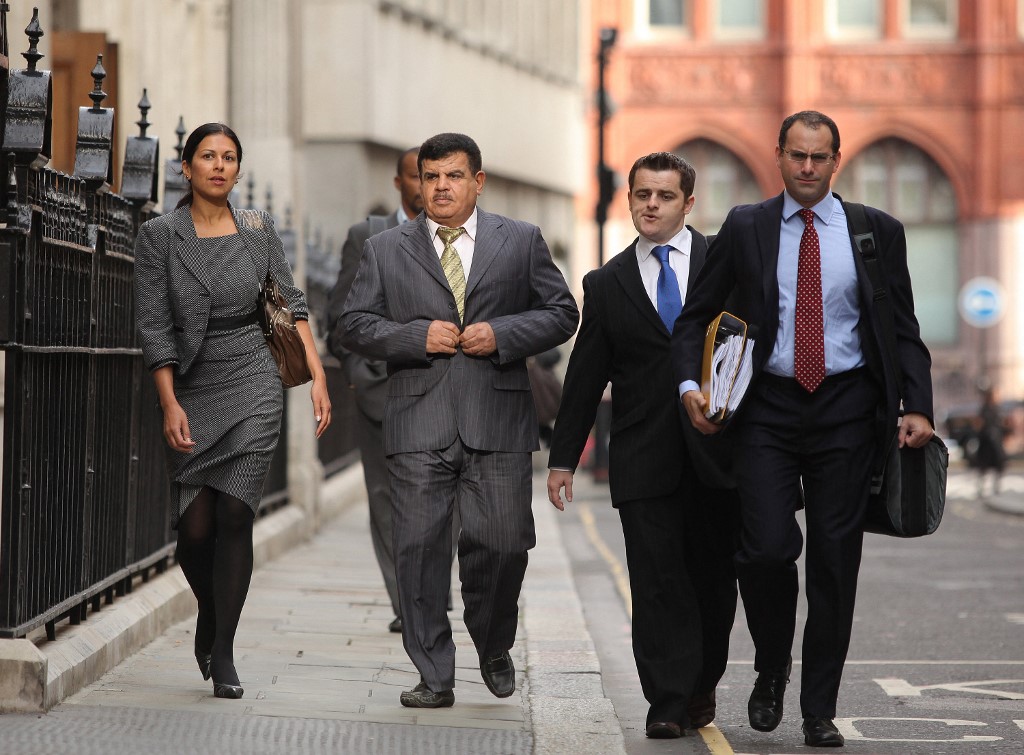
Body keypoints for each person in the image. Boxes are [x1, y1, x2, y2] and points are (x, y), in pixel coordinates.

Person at [673, 111, 934, 748]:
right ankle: (770, 667)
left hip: (847, 410)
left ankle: (819, 707)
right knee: (764, 549)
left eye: (820, 158)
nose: (808, 168)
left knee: (834, 565)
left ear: (837, 161)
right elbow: (694, 318)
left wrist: (917, 406)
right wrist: (689, 386)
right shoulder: (747, 226)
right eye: (797, 156)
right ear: (780, 156)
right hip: (766, 407)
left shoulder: (876, 232)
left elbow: (902, 327)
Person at [339, 132, 578, 708]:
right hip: (418, 421)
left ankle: (494, 643)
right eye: (430, 177)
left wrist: (503, 334)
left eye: (453, 176)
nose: (441, 187)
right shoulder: (386, 249)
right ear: (416, 183)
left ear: (478, 181)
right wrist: (413, 337)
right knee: (418, 550)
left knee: (503, 544)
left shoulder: (519, 241)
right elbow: (351, 325)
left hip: (496, 418)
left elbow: (562, 311)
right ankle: (433, 674)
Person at [134, 123, 331, 700]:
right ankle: (210, 614)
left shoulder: (258, 230)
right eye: (207, 156)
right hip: (193, 381)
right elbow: (153, 327)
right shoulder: (159, 236)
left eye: (228, 158)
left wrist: (318, 377)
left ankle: (223, 652)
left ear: (238, 171)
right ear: (187, 167)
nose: (218, 166)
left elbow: (291, 302)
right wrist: (169, 401)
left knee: (236, 516)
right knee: (195, 530)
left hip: (253, 376)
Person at [546, 152, 739, 740]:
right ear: (627, 200)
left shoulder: (723, 266)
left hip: (718, 454)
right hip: (643, 454)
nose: (651, 205)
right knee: (655, 580)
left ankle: (702, 680)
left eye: (664, 195)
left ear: (688, 203)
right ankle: (665, 699)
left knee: (712, 576)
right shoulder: (607, 284)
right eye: (641, 195)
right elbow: (584, 376)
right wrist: (561, 459)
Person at [325, 147, 423, 634]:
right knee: (386, 500)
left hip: (439, 389)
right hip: (380, 393)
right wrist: (358, 374)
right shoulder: (367, 236)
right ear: (398, 182)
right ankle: (407, 603)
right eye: (416, 177)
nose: (426, 186)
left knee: (437, 498)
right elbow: (339, 318)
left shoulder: (458, 238)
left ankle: (428, 590)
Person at [973, 386, 1007, 498]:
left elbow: (1001, 424)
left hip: (995, 442)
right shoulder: (985, 409)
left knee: (998, 465)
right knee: (984, 467)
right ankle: (981, 489)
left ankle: (996, 488)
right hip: (987, 442)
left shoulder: (997, 408)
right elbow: (979, 424)